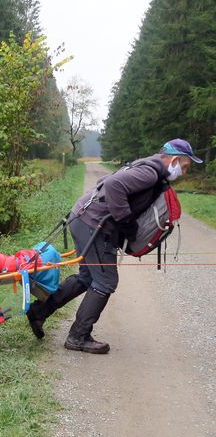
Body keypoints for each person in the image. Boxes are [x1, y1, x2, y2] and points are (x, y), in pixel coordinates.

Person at [26, 138, 202, 353]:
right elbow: (113, 185)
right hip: (94, 225)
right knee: (106, 281)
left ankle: (39, 312)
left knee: (87, 277)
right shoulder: (151, 172)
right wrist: (127, 223)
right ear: (174, 159)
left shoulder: (148, 166)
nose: (183, 173)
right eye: (184, 167)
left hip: (84, 218)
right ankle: (77, 337)